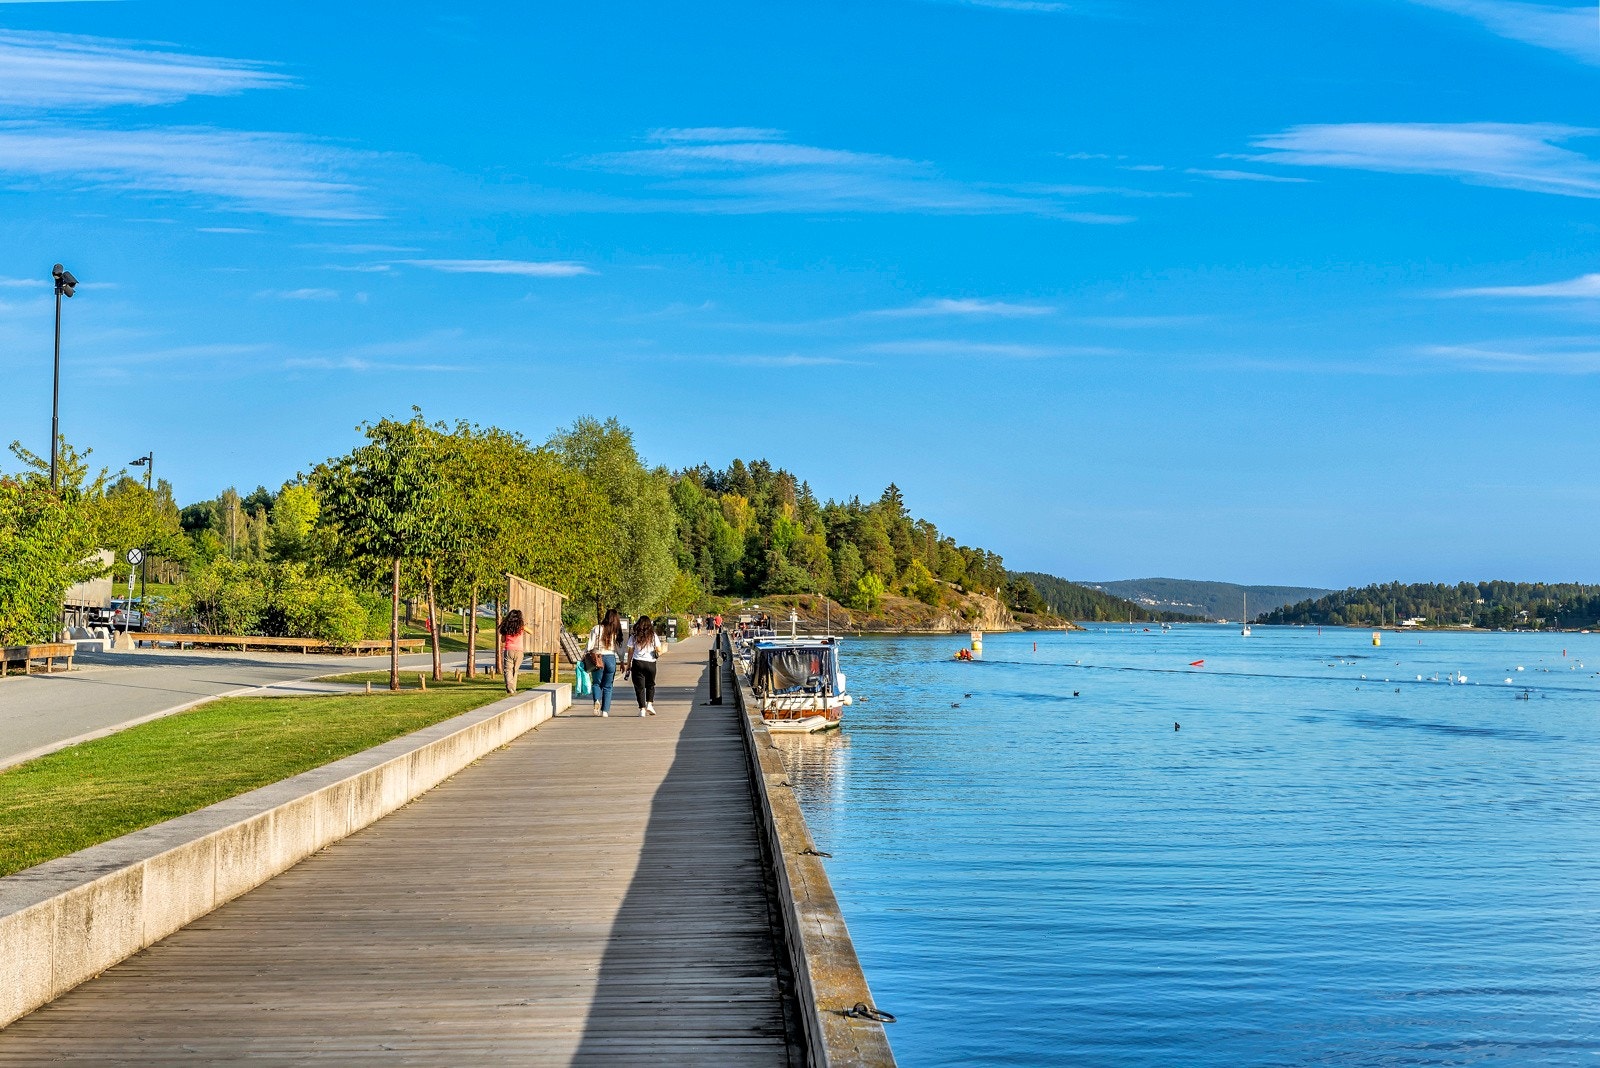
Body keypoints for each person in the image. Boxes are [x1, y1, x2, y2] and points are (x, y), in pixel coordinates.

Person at [586, 608, 626, 716]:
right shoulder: (616, 631)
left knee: (596, 683)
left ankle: (597, 700)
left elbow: (589, 645)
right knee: (608, 686)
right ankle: (605, 711)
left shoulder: (597, 628)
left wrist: (585, 655)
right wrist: (622, 662)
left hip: (598, 658)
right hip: (611, 659)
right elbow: (620, 649)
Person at [624, 615, 665, 716]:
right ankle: (649, 704)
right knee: (650, 685)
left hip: (638, 663)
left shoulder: (634, 636)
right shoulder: (653, 636)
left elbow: (630, 651)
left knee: (639, 687)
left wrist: (628, 664)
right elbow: (659, 650)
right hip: (651, 663)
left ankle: (642, 709)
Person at [499, 610, 526, 694]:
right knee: (515, 670)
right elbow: (531, 632)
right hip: (519, 651)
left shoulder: (506, 627)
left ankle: (509, 687)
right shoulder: (521, 627)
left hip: (509, 650)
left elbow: (502, 640)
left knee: (508, 670)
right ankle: (513, 688)